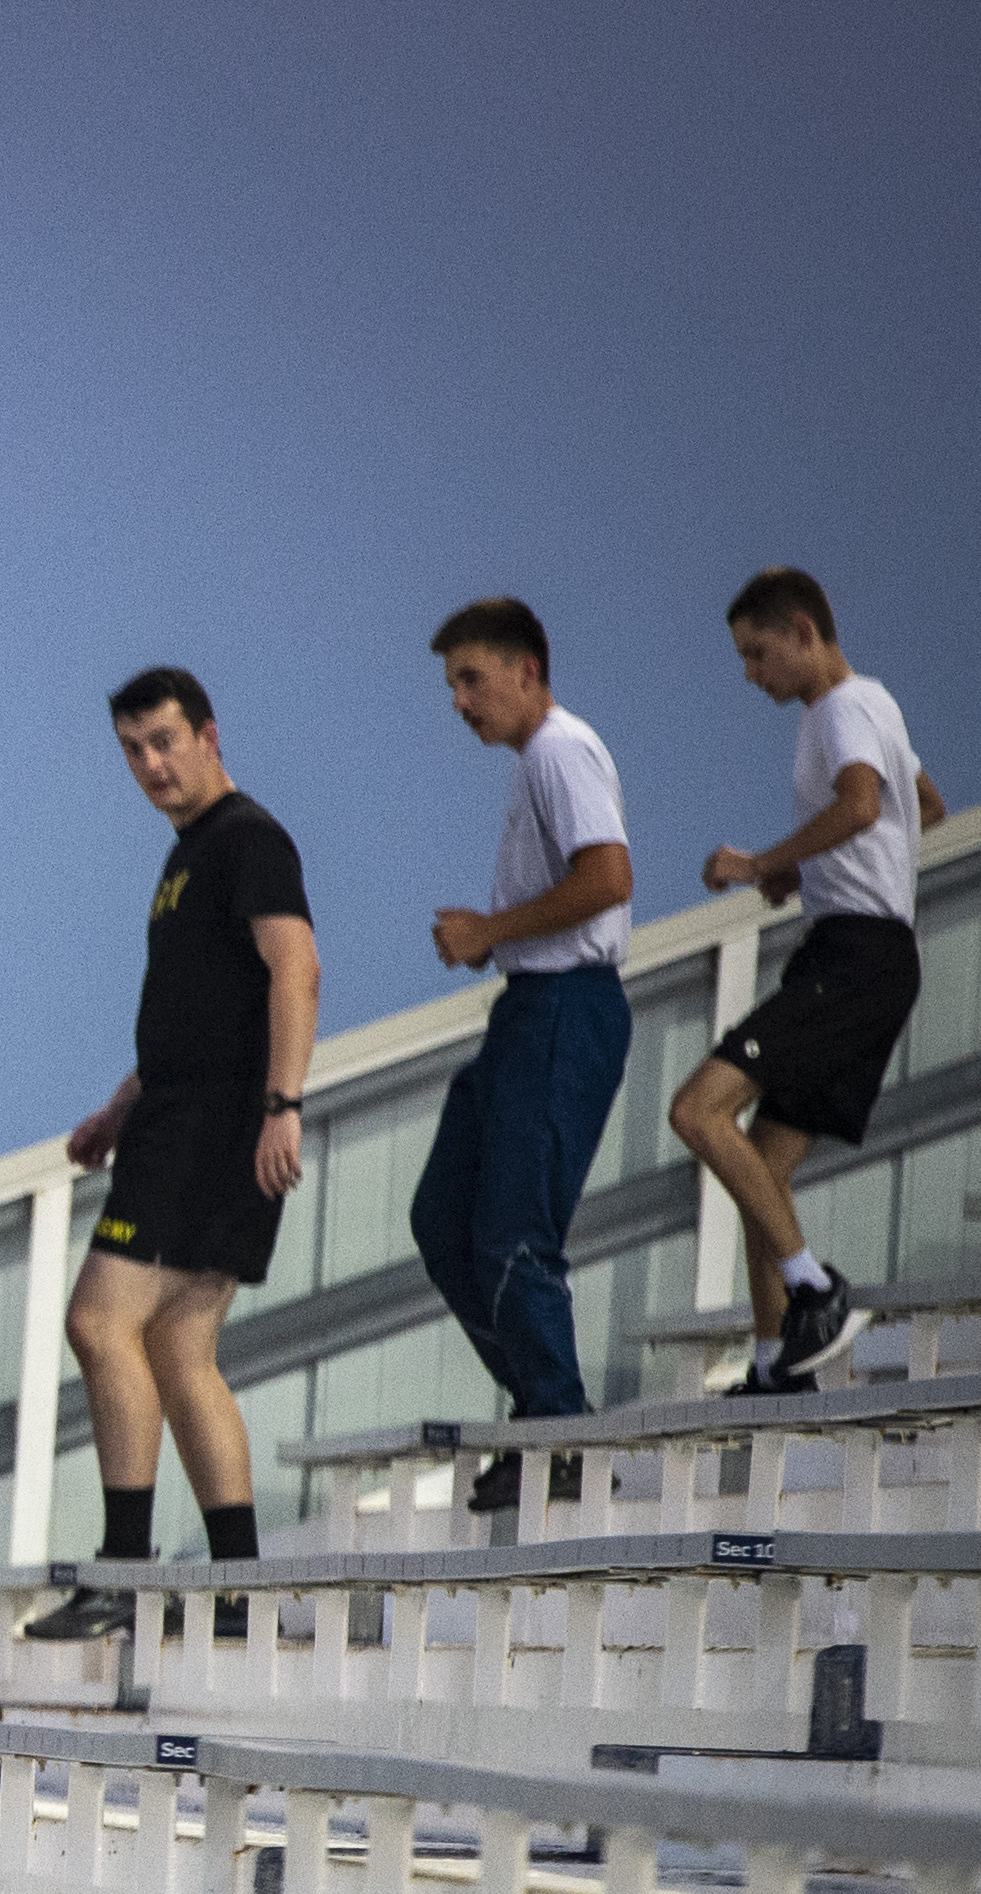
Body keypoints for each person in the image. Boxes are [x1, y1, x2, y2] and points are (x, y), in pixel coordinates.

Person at [22, 670, 318, 1643]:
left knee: (97, 1321)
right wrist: (121, 1106)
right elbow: (198, 1011)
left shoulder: (246, 838)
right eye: (131, 750)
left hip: (212, 1129)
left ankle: (121, 1573)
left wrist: (282, 1105)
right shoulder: (188, 852)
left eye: (162, 740)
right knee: (179, 1349)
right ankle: (238, 1586)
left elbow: (295, 967)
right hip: (175, 1119)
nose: (149, 764)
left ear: (207, 733)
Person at [667, 568, 949, 1394]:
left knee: (696, 1109)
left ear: (800, 631)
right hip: (868, 954)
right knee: (760, 1167)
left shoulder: (839, 710)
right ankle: (773, 1363)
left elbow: (861, 805)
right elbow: (921, 804)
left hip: (853, 956)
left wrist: (763, 862)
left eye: (756, 654)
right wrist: (813, 868)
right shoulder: (875, 703)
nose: (749, 674)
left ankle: (814, 1290)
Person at [412, 598, 637, 1509]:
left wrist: (490, 929)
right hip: (527, 1008)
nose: (459, 702)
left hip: (563, 1006)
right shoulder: (536, 762)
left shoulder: (559, 750)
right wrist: (498, 938)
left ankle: (558, 1431)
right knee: (443, 1219)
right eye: (452, 685)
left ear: (526, 671)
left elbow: (608, 876)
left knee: (513, 1232)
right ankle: (547, 1412)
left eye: (471, 679)